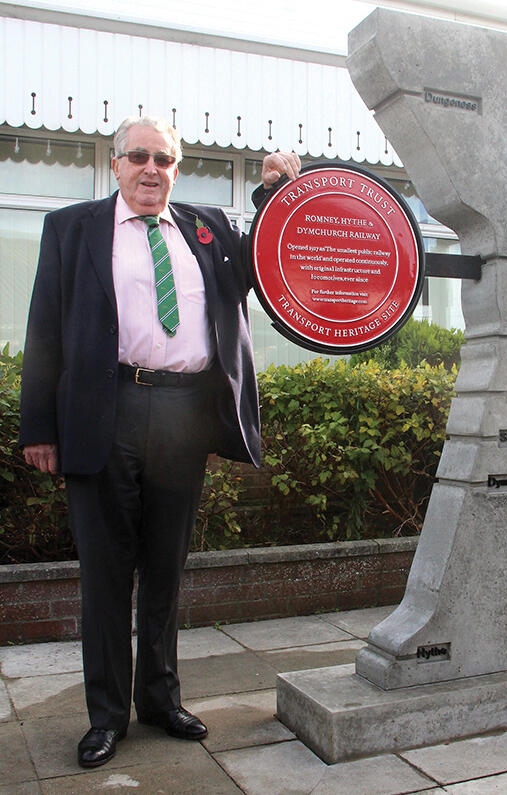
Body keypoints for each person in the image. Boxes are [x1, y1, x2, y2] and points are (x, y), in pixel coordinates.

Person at [19, 115, 300, 768]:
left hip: (183, 415)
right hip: (104, 413)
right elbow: (44, 329)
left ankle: (161, 698)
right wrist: (39, 428)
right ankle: (106, 716)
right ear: (115, 163)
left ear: (177, 168)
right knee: (107, 575)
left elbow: (267, 266)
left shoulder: (209, 227)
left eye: (164, 158)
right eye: (138, 156)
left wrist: (274, 195)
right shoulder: (72, 228)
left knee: (167, 570)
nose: (152, 168)